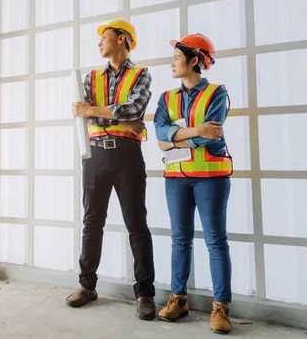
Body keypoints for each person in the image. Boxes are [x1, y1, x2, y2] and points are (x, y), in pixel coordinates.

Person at [69, 19, 156, 321]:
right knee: (92, 222)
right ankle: (87, 286)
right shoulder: (91, 77)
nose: (99, 43)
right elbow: (84, 117)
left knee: (137, 224)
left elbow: (135, 109)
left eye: (105, 37)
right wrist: (114, 118)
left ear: (122, 39)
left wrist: (95, 111)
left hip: (128, 156)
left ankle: (144, 294)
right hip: (95, 157)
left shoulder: (141, 74)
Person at [153, 34, 233, 335]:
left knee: (215, 241)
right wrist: (193, 130)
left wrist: (178, 136)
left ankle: (221, 307)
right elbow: (159, 133)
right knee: (179, 239)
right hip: (176, 178)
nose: (171, 62)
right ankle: (179, 299)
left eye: (176, 57)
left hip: (211, 177)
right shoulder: (166, 97)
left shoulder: (217, 93)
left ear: (194, 60)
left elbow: (209, 135)